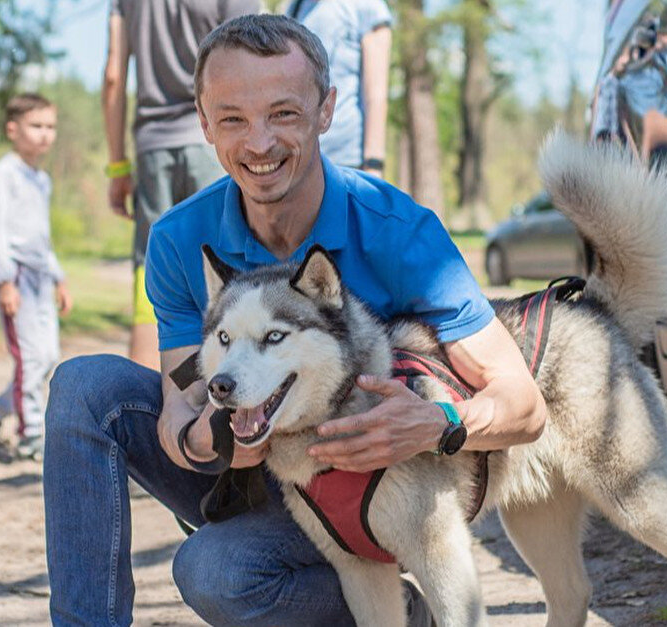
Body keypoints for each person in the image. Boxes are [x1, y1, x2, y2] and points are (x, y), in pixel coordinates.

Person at [43, 15, 546, 626]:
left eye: (283, 113)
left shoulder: (399, 231)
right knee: (85, 387)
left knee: (213, 572)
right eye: (232, 118)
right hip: (262, 479)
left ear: (326, 110)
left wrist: (437, 422)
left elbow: (525, 405)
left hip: (384, 487)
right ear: (203, 122)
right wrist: (207, 441)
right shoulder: (178, 240)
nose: (258, 143)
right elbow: (183, 402)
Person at [102, 0, 259, 371]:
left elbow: (113, 77)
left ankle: (147, 401)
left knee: (150, 269)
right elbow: (251, 62)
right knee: (228, 271)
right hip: (216, 139)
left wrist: (117, 165)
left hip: (151, 148)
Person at [0, 93, 73, 463]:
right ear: (13, 129)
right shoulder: (3, 174)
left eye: (50, 127)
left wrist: (59, 278)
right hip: (15, 278)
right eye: (36, 126)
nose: (45, 135)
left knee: (47, 357)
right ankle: (31, 434)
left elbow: (41, 236)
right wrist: (4, 281)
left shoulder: (40, 179)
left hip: (41, 277)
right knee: (29, 358)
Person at [287, 0, 391, 175]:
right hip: (300, 161)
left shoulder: (369, 6)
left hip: (347, 162)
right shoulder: (296, 6)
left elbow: (376, 94)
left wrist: (374, 165)